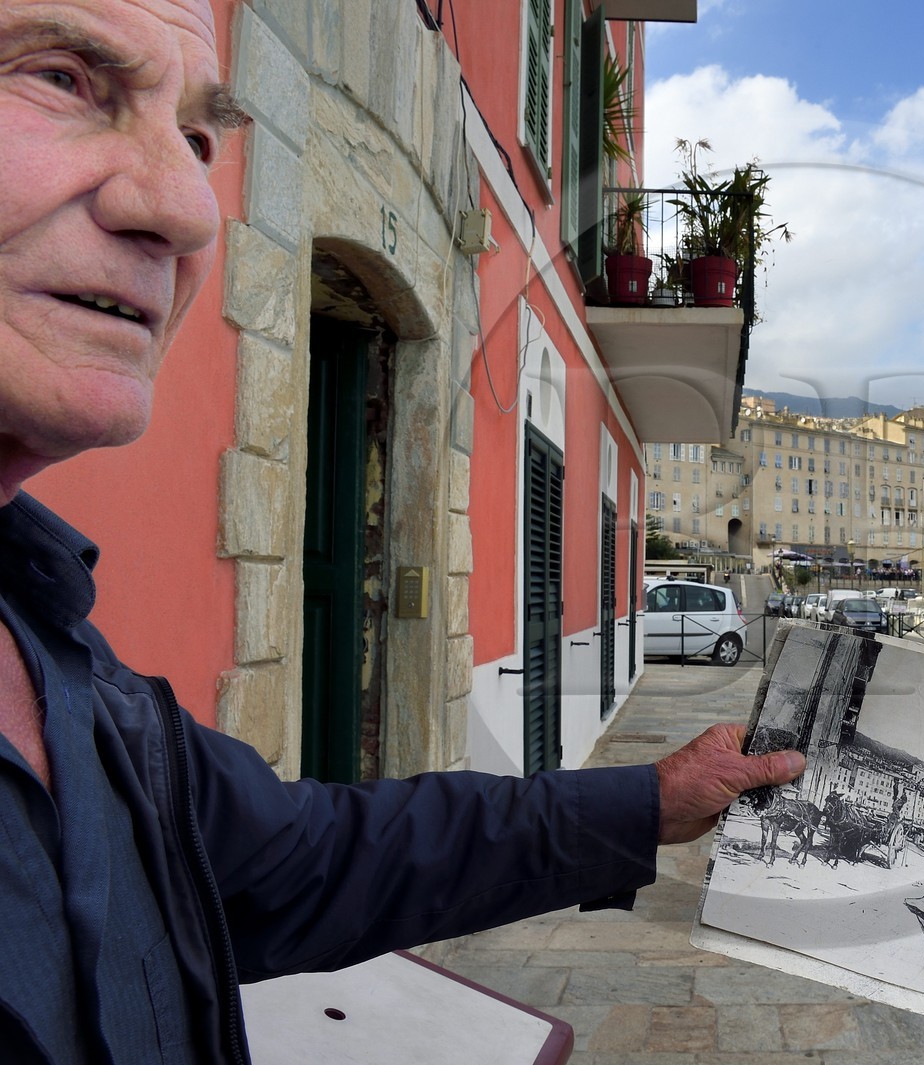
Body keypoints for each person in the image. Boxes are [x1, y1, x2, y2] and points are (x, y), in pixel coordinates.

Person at [0, 4, 804, 1062]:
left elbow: (311, 861)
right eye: (62, 78)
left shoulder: (67, 659)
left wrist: (649, 800)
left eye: (201, 137)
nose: (189, 206)